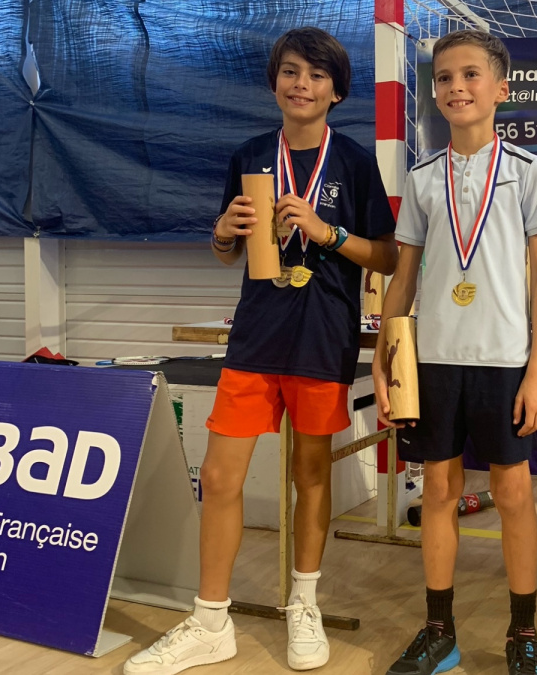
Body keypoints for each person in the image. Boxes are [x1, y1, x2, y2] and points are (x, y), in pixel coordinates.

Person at [124, 26, 398, 675]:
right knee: (220, 477)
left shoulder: (354, 160)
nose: (302, 84)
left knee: (311, 475)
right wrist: (222, 232)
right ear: (275, 81)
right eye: (291, 71)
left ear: (336, 91)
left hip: (322, 338)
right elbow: (230, 253)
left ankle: (304, 602)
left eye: (317, 75)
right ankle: (210, 620)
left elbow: (386, 256)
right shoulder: (250, 154)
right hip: (255, 337)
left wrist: (327, 232)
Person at [372, 28, 537, 675]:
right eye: (445, 77)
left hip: (504, 361)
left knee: (513, 494)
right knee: (439, 489)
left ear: (501, 88)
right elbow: (403, 279)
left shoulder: (528, 172)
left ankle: (523, 632)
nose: (457, 87)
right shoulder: (423, 177)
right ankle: (439, 631)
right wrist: (386, 358)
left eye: (471, 74)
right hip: (435, 361)